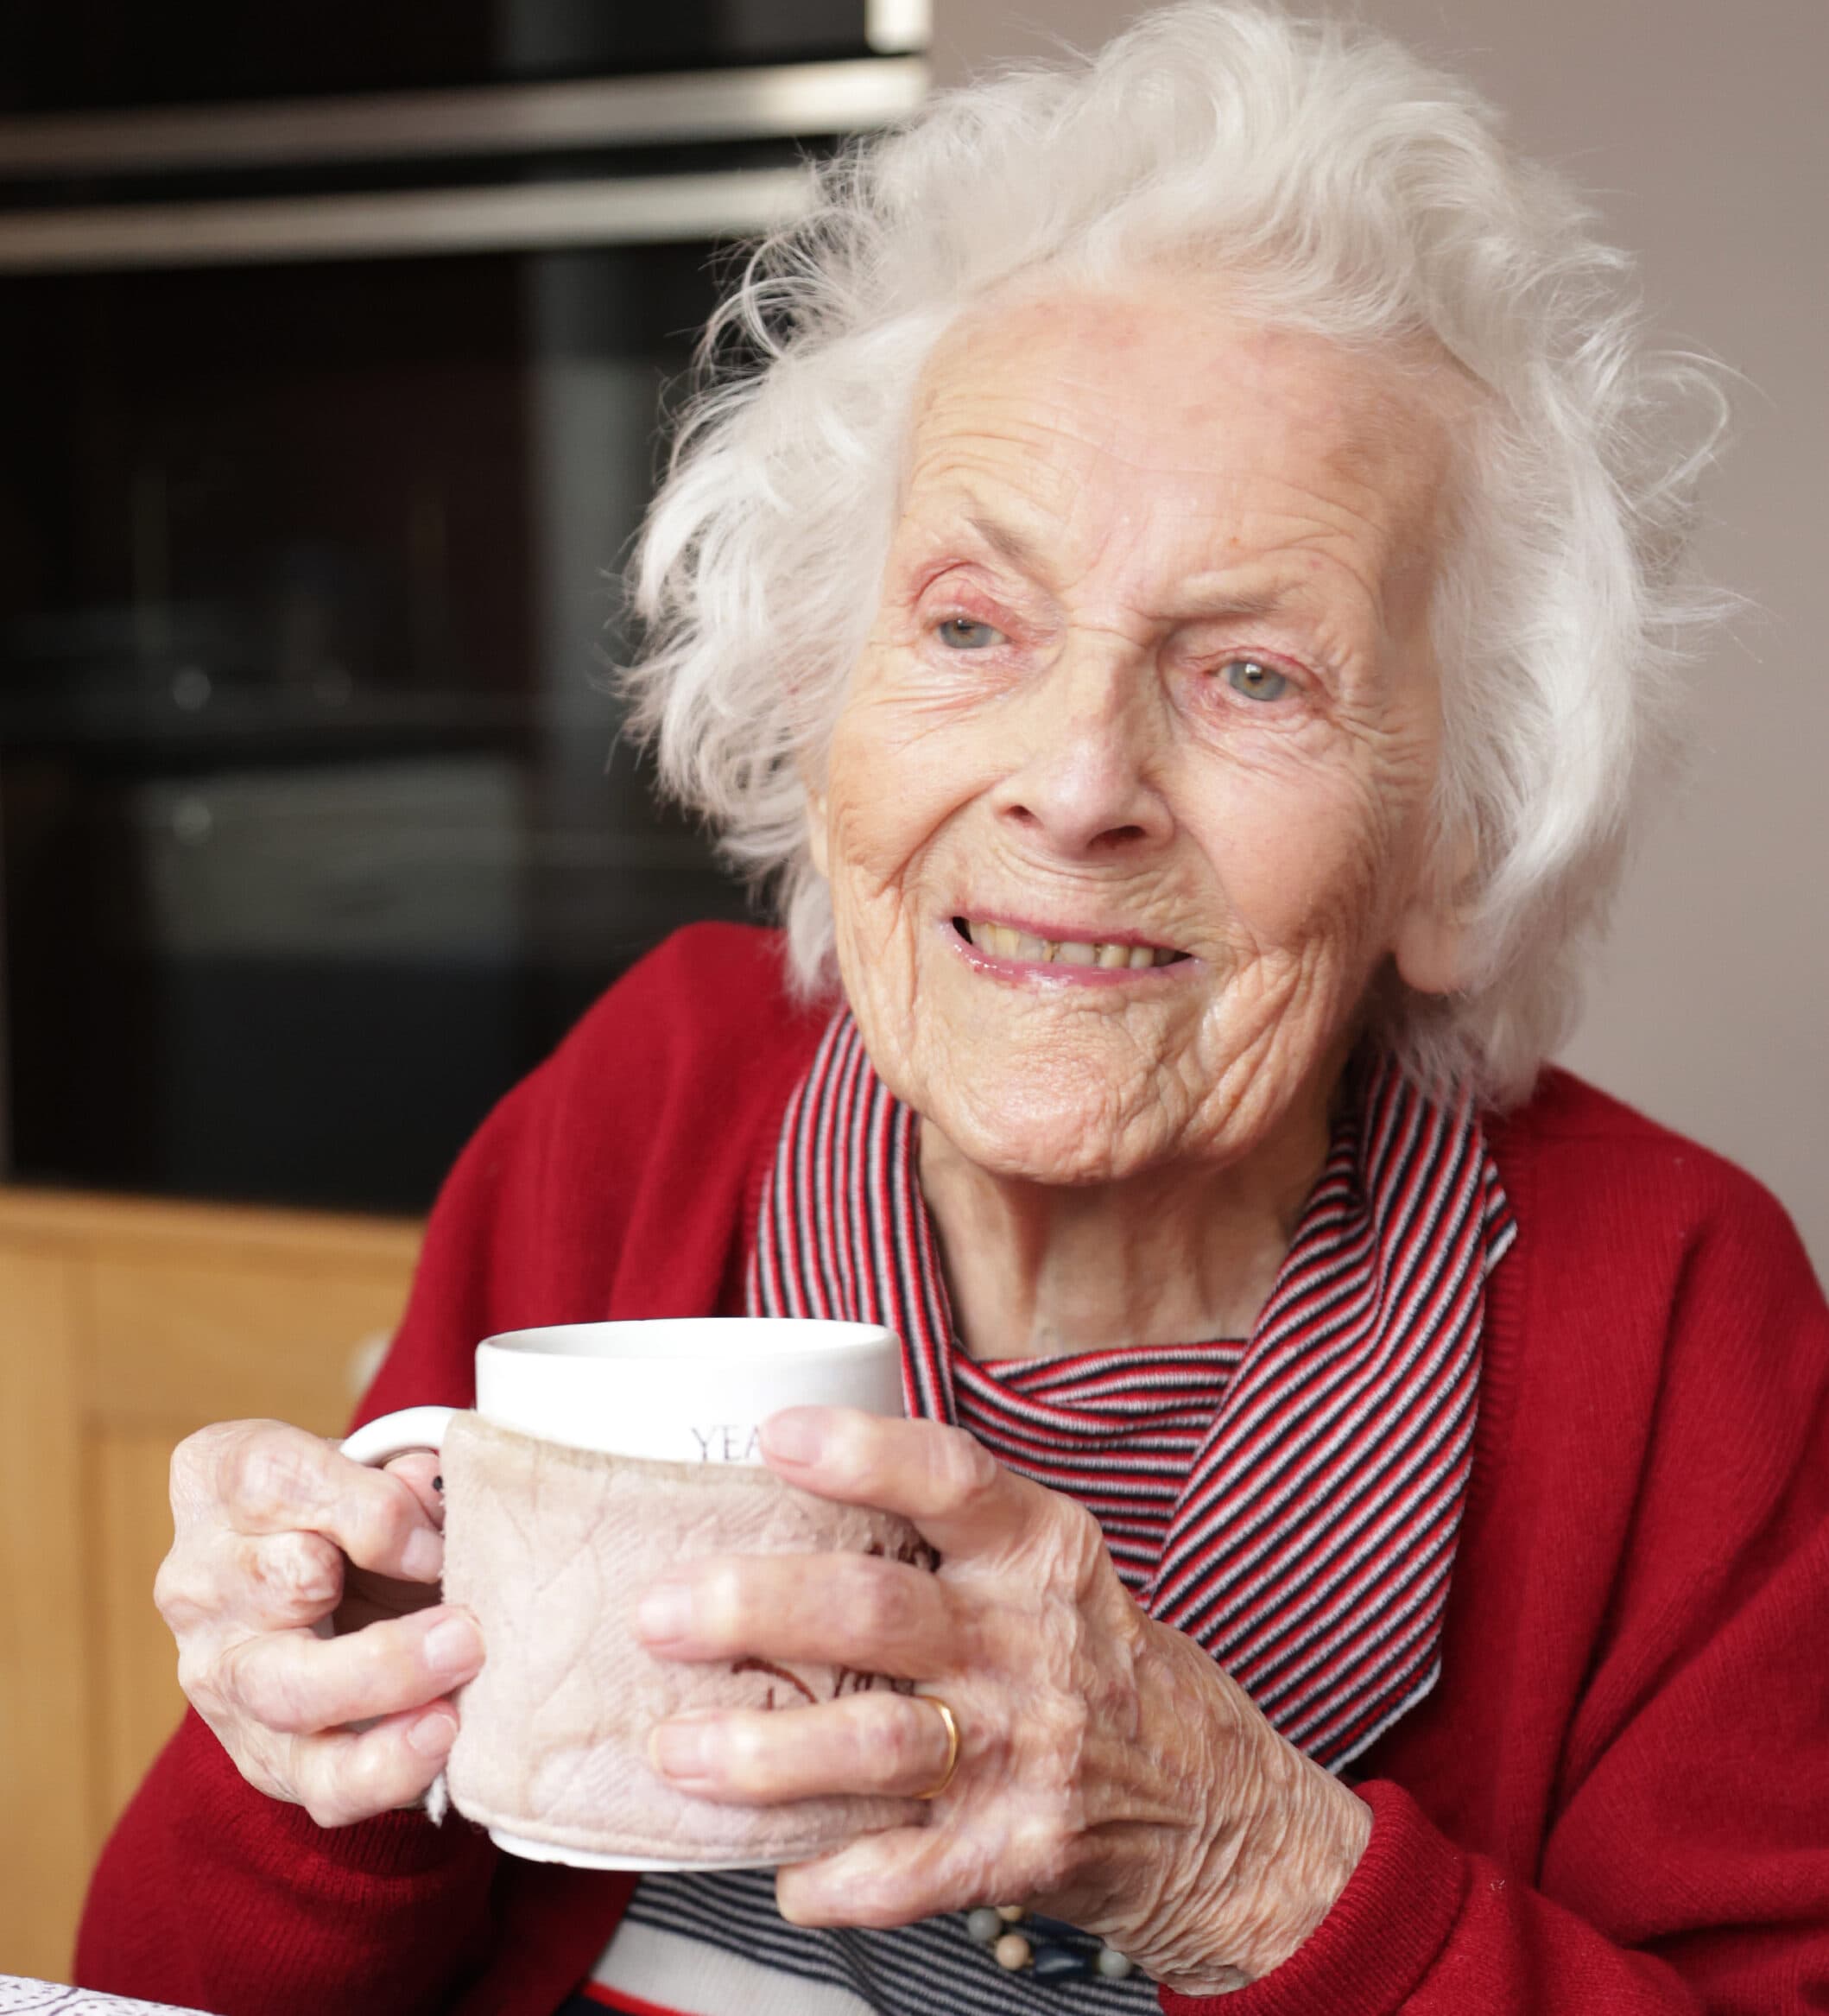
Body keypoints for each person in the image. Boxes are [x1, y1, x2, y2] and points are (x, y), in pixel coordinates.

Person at [76, 5, 1829, 2013]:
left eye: (1255, 675)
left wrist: (1246, 1864)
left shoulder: (1675, 1318)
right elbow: (167, 1986)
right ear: (823, 707)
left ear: (1461, 840)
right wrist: (327, 1758)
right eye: (973, 626)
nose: (1075, 787)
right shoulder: (650, 1103)